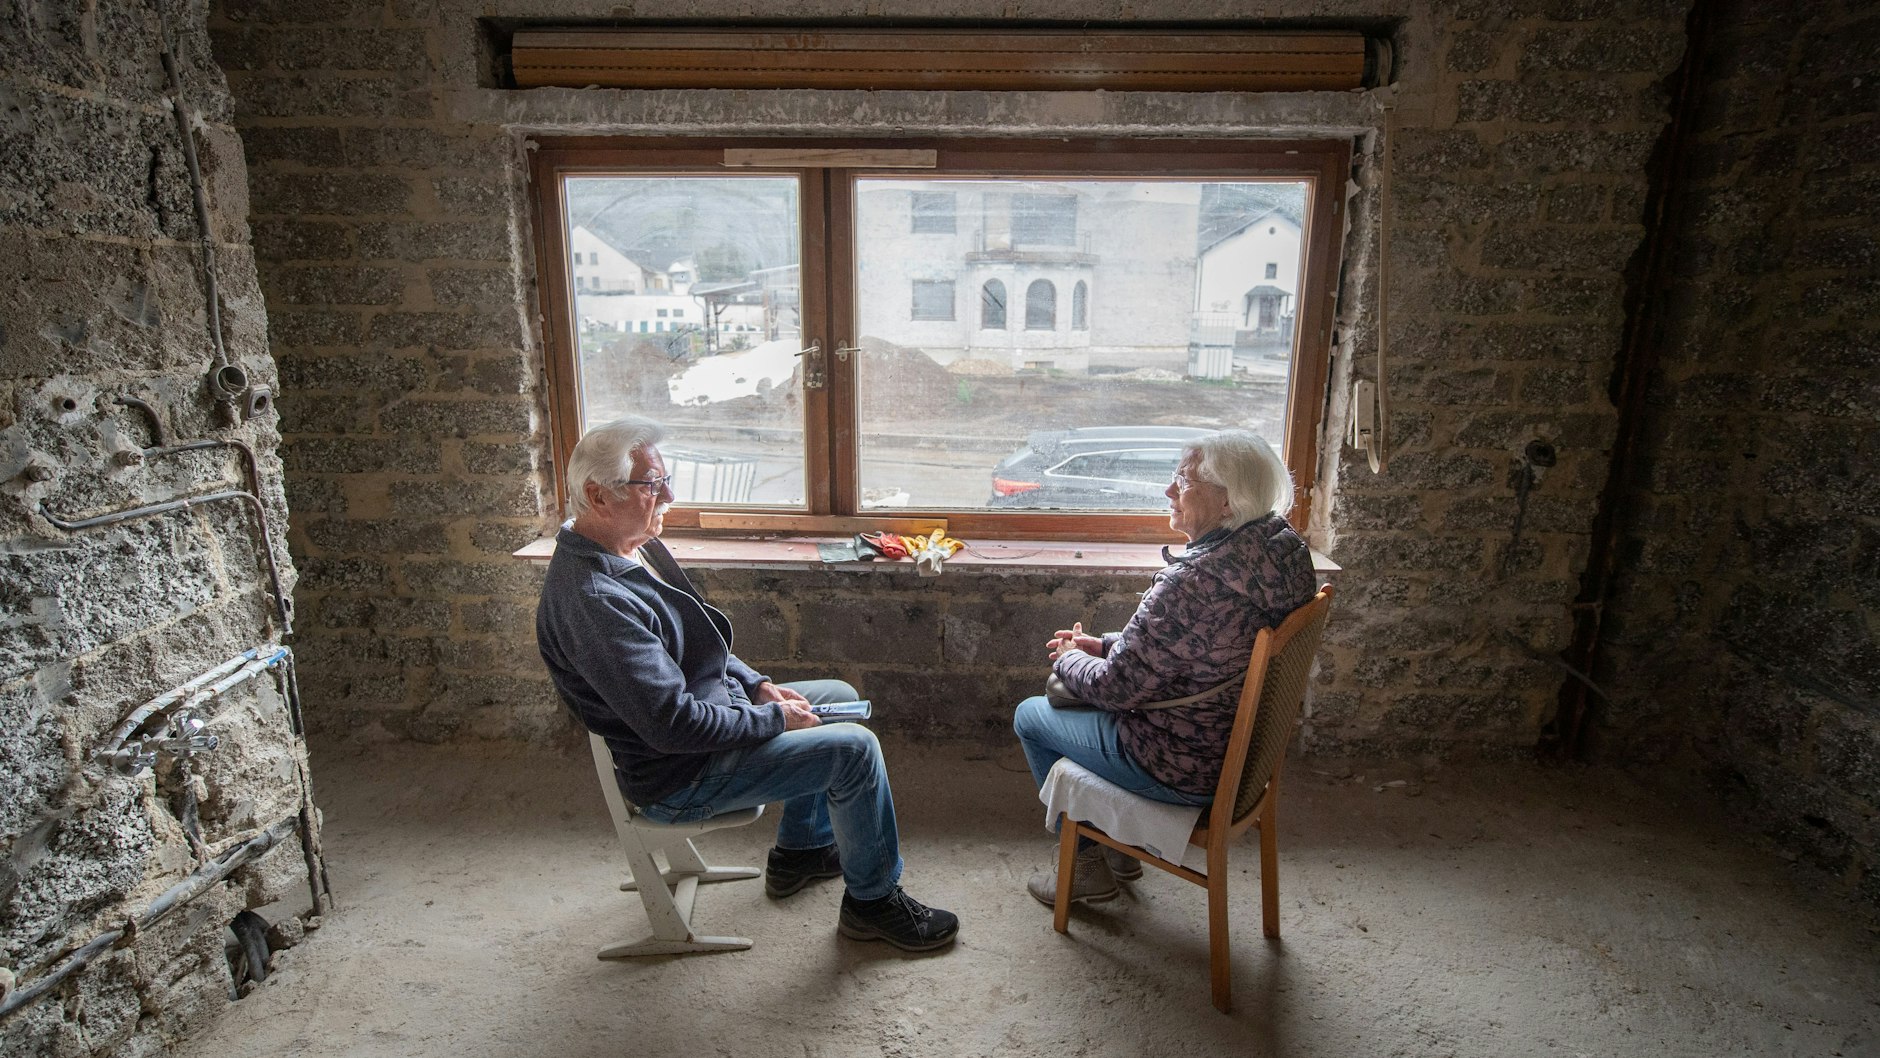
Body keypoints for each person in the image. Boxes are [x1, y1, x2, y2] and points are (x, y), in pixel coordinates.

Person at [536, 415, 958, 952]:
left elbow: (699, 642)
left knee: (837, 696)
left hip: (708, 725)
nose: (669, 494)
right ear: (598, 496)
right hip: (682, 774)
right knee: (855, 749)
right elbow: (672, 726)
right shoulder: (595, 603)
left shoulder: (628, 545)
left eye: (664, 479)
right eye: (652, 484)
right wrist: (774, 719)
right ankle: (872, 904)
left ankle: (800, 853)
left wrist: (759, 687)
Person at [1012, 429, 1319, 906]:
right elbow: (1201, 646)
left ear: (1227, 502)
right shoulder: (1283, 555)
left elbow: (1117, 690)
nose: (1169, 491)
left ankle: (1087, 861)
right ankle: (1121, 847)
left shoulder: (1192, 583)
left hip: (1181, 764)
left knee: (1032, 715)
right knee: (1073, 699)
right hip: (1239, 755)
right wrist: (1106, 643)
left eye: (1184, 479)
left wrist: (1070, 656)